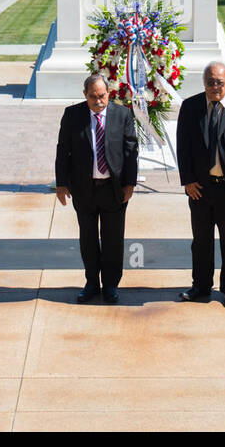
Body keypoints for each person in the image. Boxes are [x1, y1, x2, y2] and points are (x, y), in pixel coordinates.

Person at [175, 61, 225, 307]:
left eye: (219, 82)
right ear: (204, 83)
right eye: (210, 82)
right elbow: (183, 147)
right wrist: (187, 180)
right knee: (201, 241)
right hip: (200, 189)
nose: (215, 87)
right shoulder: (190, 108)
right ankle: (200, 285)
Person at [55, 73, 139, 304]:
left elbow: (131, 150)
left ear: (108, 93)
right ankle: (92, 282)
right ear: (85, 95)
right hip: (84, 189)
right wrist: (61, 184)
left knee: (113, 240)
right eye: (93, 97)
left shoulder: (122, 115)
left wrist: (130, 183)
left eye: (102, 96)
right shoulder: (73, 115)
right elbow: (63, 150)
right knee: (88, 239)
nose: (98, 101)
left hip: (113, 189)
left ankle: (111, 285)